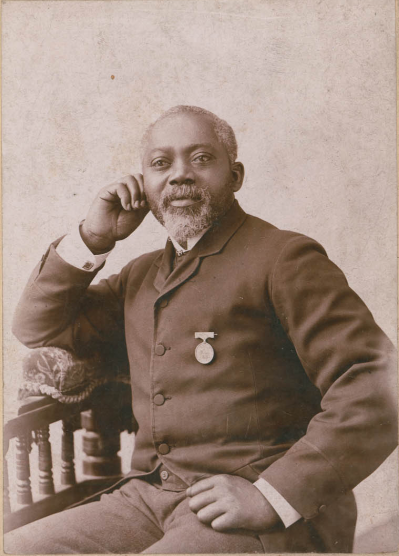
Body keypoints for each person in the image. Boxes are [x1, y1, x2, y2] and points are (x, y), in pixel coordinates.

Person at [6, 105, 397, 554]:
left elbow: (378, 383)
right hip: (150, 498)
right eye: (160, 164)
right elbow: (36, 326)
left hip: (262, 507)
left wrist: (271, 496)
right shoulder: (141, 275)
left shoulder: (284, 259)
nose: (179, 176)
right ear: (144, 187)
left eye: (201, 158)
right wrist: (94, 238)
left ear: (236, 176)